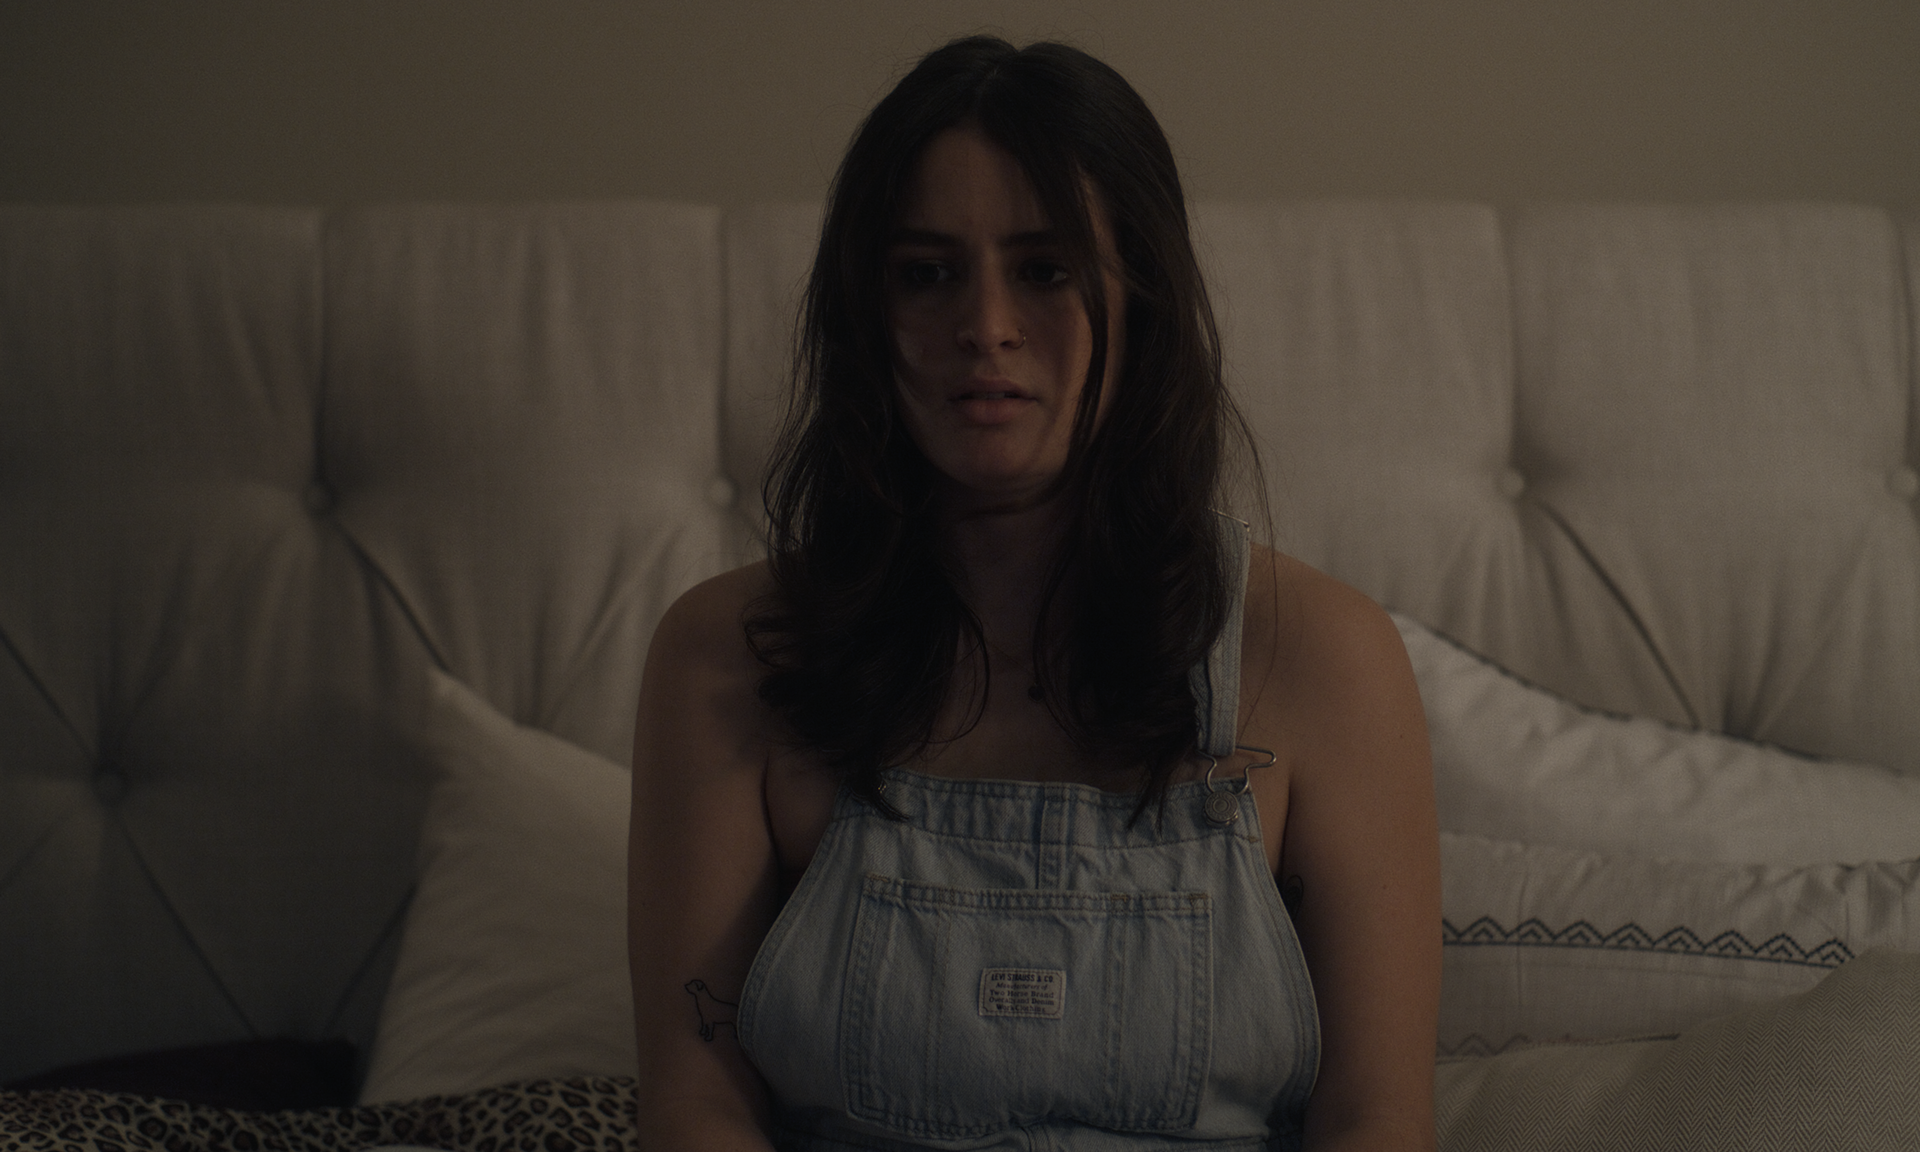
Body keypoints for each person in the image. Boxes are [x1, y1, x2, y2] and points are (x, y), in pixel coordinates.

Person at [629, 36, 1439, 1152]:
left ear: (1142, 299)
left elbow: (1377, 1115)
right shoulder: (729, 654)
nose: (987, 326)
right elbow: (696, 1101)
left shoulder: (1321, 654)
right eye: (927, 273)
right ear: (865, 312)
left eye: (1047, 270)